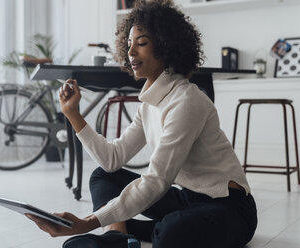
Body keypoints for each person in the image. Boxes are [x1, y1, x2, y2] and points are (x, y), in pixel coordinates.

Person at [26, 0, 257, 247]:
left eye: (142, 43)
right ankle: (119, 236)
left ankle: (125, 234)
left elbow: (156, 181)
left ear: (166, 46)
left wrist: (88, 222)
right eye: (129, 45)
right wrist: (73, 114)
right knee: (103, 176)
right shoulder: (150, 103)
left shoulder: (187, 100)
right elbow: (112, 159)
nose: (131, 52)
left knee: (171, 231)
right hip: (187, 199)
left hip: (229, 209)